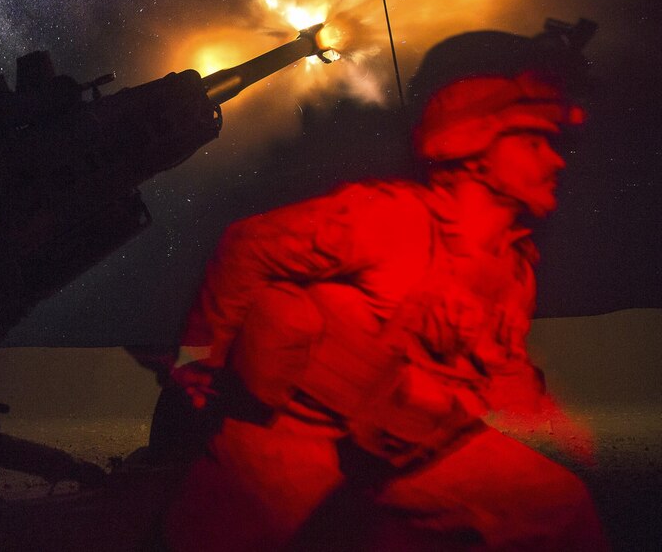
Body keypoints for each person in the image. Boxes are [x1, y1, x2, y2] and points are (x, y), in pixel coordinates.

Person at [162, 70, 608, 551]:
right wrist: (197, 360)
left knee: (561, 506)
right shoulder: (390, 218)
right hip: (291, 449)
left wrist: (561, 432)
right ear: (475, 147)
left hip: (406, 459)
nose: (555, 160)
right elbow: (247, 246)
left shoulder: (514, 272)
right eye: (535, 144)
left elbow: (502, 375)